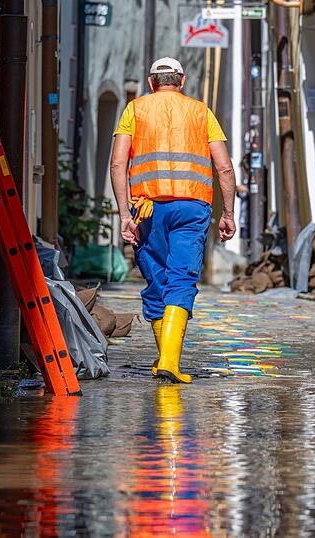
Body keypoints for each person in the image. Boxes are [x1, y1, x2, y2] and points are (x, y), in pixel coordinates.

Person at [109, 57, 237, 383]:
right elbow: (223, 166)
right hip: (192, 209)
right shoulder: (201, 112)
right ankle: (168, 360)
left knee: (156, 283)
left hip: (148, 209)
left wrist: (125, 215)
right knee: (181, 280)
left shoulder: (134, 110)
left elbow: (117, 164)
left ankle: (167, 358)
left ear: (151, 82)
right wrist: (228, 213)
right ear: (181, 80)